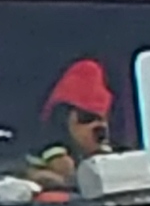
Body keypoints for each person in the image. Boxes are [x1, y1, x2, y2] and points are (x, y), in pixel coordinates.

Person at [23, 58, 119, 197]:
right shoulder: (52, 148)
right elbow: (67, 172)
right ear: (63, 118)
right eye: (86, 118)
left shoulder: (102, 152)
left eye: (103, 120)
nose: (99, 127)